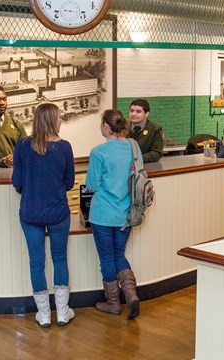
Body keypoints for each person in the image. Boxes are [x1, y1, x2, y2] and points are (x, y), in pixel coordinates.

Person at [12, 103, 75, 328]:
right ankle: (62, 312)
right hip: (58, 212)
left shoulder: (22, 146)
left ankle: (44, 314)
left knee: (36, 263)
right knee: (59, 259)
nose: (61, 121)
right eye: (59, 117)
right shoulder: (65, 147)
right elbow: (69, 183)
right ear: (51, 120)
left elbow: (17, 183)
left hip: (30, 212)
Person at [86, 109, 140, 320]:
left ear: (107, 126)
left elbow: (91, 184)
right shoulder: (133, 146)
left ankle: (113, 303)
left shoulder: (99, 152)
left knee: (107, 257)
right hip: (126, 213)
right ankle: (131, 294)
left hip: (102, 214)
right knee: (119, 254)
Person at [128, 99, 164, 163]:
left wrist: (136, 159)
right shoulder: (123, 127)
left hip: (145, 167)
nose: (133, 114)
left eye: (138, 111)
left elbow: (156, 153)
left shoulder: (155, 129)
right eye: (131, 111)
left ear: (146, 114)